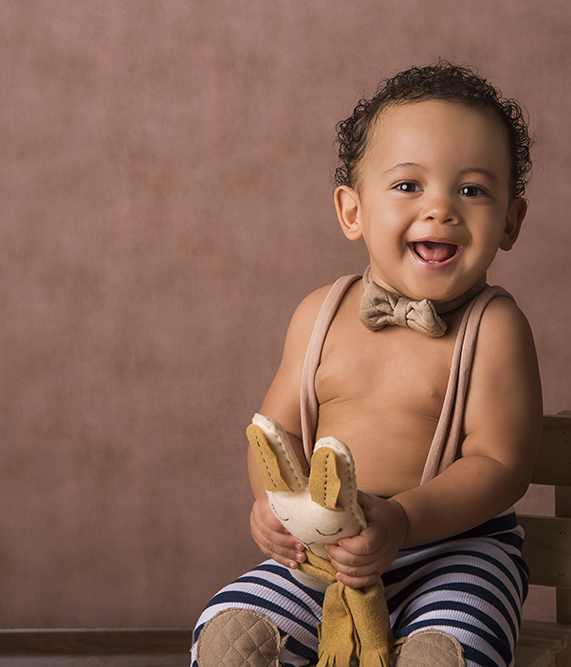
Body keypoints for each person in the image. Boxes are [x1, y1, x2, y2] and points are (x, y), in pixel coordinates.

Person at [192, 61, 543, 667]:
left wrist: (403, 521)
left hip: (455, 552)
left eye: (473, 189)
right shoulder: (318, 315)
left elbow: (502, 466)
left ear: (510, 221)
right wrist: (272, 508)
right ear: (352, 212)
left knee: (446, 653)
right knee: (231, 636)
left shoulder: (495, 329)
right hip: (324, 557)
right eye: (409, 186)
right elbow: (275, 437)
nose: (441, 210)